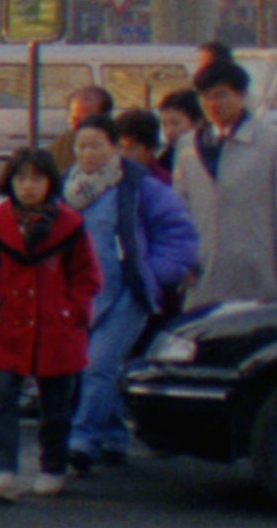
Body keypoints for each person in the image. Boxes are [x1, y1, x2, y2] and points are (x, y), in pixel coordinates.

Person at [0, 148, 99, 502]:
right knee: (2, 399)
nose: (28, 186)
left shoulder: (69, 224)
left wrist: (72, 310)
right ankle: (0, 470)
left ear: (50, 182)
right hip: (8, 324)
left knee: (56, 405)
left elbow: (86, 275)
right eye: (21, 178)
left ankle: (52, 466)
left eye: (36, 178)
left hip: (56, 325)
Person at [68, 113, 198, 472]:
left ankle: (81, 440)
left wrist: (152, 274)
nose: (88, 153)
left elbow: (179, 234)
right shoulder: (67, 187)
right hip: (82, 296)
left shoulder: (139, 185)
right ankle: (112, 437)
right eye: (81, 146)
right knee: (87, 368)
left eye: (97, 145)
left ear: (114, 147)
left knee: (97, 366)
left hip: (127, 294)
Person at [173, 57, 277, 309]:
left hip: (257, 262)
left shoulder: (274, 142)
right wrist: (182, 258)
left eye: (221, 95)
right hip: (204, 265)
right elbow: (179, 206)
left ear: (240, 95)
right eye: (206, 96)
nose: (212, 103)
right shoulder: (189, 145)